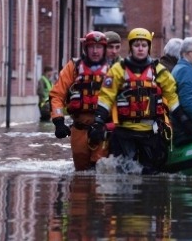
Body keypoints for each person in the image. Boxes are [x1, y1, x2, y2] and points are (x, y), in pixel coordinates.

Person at [91, 28, 182, 175]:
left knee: (151, 173)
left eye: (144, 45)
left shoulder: (158, 70)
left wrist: (181, 116)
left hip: (150, 133)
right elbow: (106, 97)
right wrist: (98, 121)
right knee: (123, 174)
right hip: (124, 132)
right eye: (136, 45)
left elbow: (171, 95)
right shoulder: (118, 70)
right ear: (131, 47)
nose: (140, 48)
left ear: (149, 48)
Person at [49, 31, 111, 171]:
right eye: (91, 47)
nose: (95, 51)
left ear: (104, 49)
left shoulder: (114, 70)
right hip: (80, 127)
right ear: (85, 48)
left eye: (99, 47)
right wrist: (59, 121)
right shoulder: (73, 68)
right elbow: (57, 95)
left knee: (100, 170)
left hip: (103, 128)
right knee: (81, 171)